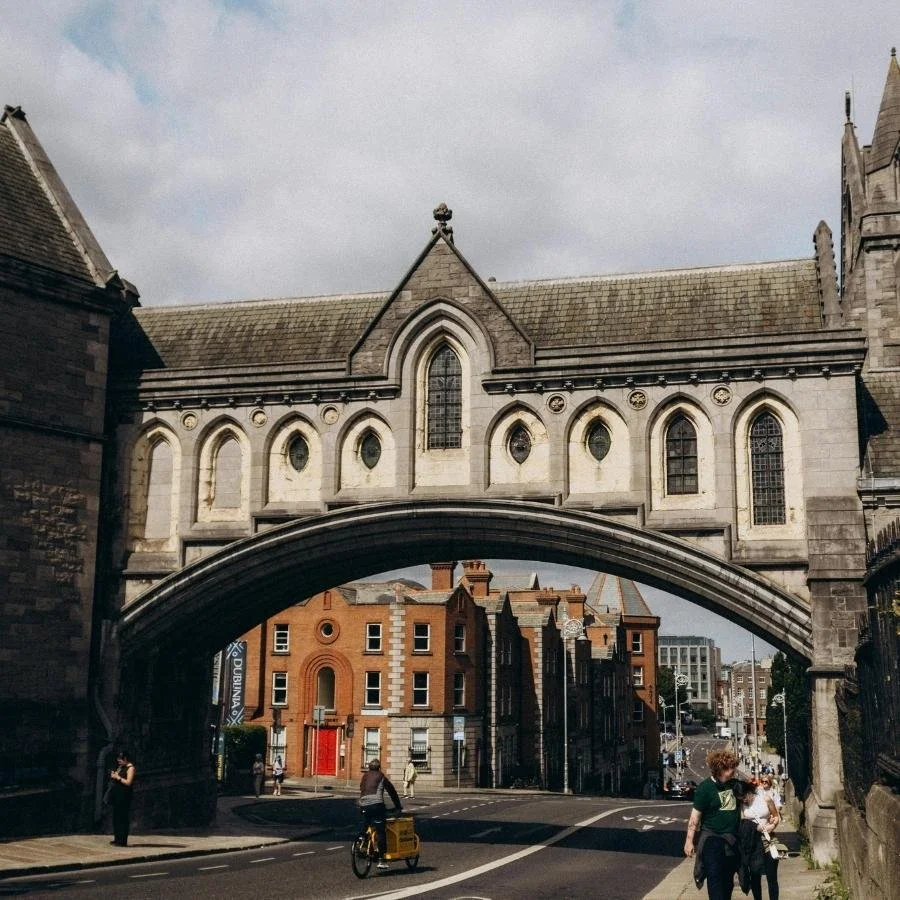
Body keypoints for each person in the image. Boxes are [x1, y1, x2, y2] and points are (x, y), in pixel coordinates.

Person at [684, 749, 740, 900]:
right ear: (719, 769)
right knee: (715, 880)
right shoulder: (705, 788)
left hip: (731, 840)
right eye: (729, 769)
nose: (733, 772)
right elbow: (695, 817)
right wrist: (689, 841)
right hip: (712, 839)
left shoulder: (734, 785)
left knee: (728, 883)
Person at [738, 779, 781, 900]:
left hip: (768, 841)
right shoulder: (741, 805)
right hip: (752, 843)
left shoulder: (765, 798)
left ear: (749, 791)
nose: (744, 800)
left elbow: (776, 816)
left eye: (744, 797)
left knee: (772, 876)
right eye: (741, 799)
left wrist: (772, 826)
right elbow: (741, 824)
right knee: (755, 876)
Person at [358, 758, 402, 870]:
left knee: (366, 822)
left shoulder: (365, 776)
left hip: (363, 803)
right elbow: (392, 791)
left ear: (369, 768)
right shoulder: (381, 776)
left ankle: (361, 839)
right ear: (379, 768)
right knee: (381, 831)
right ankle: (382, 860)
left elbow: (362, 789)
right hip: (377, 805)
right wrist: (398, 806)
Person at [108, 749, 136, 847]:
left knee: (123, 817)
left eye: (120, 759)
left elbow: (128, 782)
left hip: (125, 796)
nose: (118, 761)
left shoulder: (130, 768)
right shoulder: (121, 767)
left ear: (126, 759)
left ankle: (122, 840)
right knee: (116, 817)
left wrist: (118, 778)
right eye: (118, 759)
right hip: (117, 795)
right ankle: (117, 838)